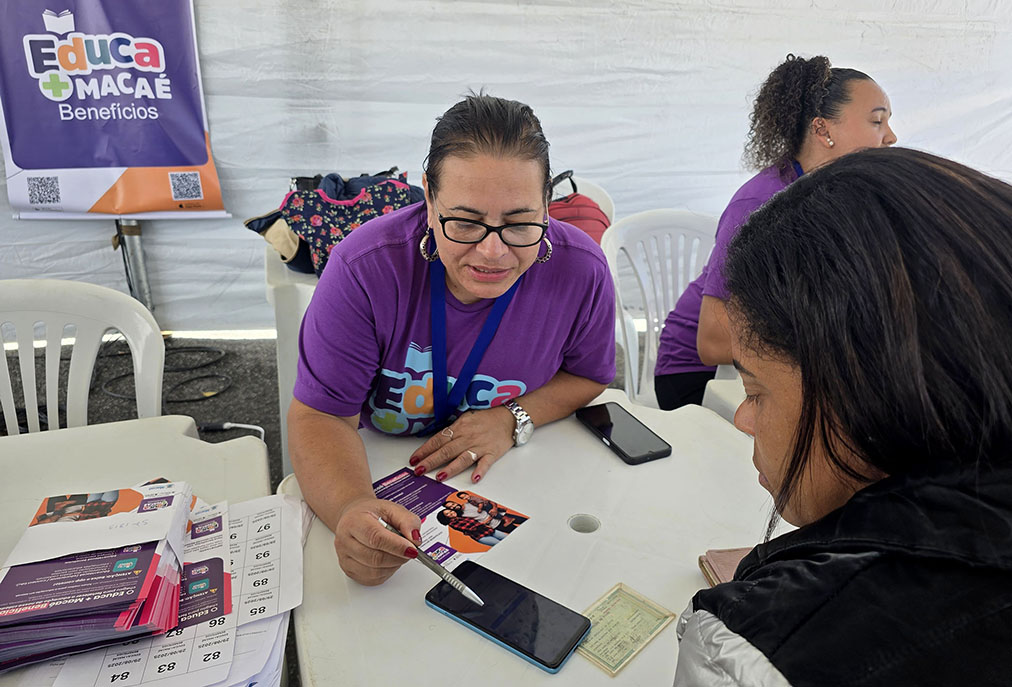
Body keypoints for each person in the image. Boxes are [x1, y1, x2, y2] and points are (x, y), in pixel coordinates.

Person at [673, 148, 1012, 685]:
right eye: (877, 118)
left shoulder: (747, 654)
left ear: (872, 390)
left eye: (755, 390)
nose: (742, 418)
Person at [288, 93, 615, 586]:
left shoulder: (581, 270)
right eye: (464, 222)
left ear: (548, 203)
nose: (492, 251)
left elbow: (589, 374)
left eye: (521, 223)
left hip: (521, 482)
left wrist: (512, 418)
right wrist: (352, 507)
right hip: (370, 467)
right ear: (428, 196)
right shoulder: (365, 269)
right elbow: (319, 414)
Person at [654, 54, 897, 409]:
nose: (891, 137)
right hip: (696, 378)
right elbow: (711, 343)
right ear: (823, 129)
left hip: (773, 355)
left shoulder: (842, 193)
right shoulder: (759, 204)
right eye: (877, 121)